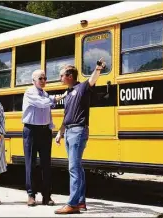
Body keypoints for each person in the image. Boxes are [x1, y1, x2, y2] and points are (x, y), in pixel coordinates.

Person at [54, 59, 106, 214]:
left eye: (61, 75)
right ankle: (81, 201)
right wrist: (60, 132)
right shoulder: (68, 93)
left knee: (73, 168)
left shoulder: (82, 88)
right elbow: (67, 115)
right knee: (77, 168)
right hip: (69, 131)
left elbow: (92, 80)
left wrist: (97, 68)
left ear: (70, 76)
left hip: (78, 131)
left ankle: (73, 203)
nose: (60, 78)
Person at [22, 69, 66, 207]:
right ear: (33, 81)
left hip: (44, 131)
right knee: (31, 163)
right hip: (31, 130)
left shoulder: (45, 94)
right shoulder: (30, 92)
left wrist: (51, 127)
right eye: (40, 78)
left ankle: (47, 196)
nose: (43, 81)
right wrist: (55, 98)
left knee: (46, 164)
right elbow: (41, 103)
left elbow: (48, 112)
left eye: (45, 78)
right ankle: (31, 194)